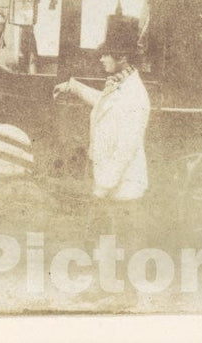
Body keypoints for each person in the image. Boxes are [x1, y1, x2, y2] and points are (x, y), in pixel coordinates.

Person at [52, 15, 151, 249]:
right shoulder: (120, 83)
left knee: (120, 249)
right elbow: (104, 103)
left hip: (122, 188)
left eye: (106, 54)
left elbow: (125, 150)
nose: (102, 58)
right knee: (105, 246)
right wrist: (73, 87)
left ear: (123, 58)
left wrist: (103, 187)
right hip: (112, 185)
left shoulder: (134, 96)